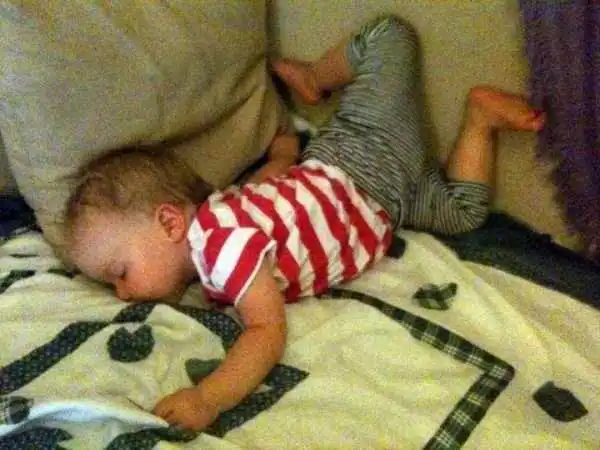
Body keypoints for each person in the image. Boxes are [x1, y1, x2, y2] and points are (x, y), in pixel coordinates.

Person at [64, 16, 545, 432]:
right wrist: (284, 152)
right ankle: (480, 121)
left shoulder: (221, 250)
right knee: (463, 213)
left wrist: (209, 397)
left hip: (363, 156)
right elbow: (269, 185)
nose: (121, 294)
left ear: (170, 222)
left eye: (119, 272)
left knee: (390, 37)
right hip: (390, 209)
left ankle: (315, 77)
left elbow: (265, 330)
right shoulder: (222, 216)